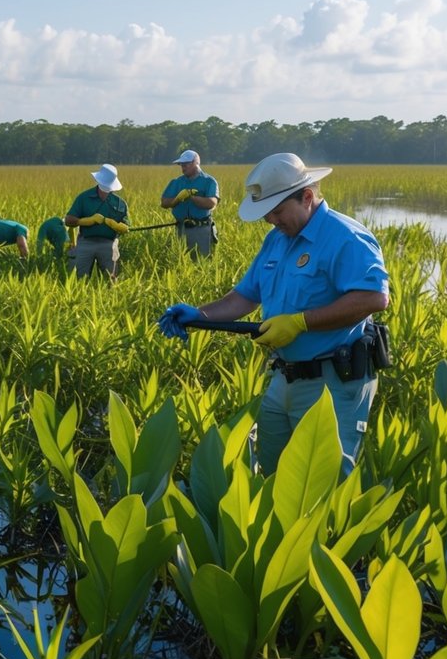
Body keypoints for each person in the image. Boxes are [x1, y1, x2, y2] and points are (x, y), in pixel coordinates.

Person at [157, 153, 389, 476]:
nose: (271, 221)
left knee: (323, 482)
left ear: (307, 197)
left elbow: (374, 298)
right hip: (283, 378)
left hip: (333, 382)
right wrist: (198, 315)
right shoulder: (277, 240)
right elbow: (244, 297)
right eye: (267, 213)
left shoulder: (344, 237)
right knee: (271, 476)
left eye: (277, 211)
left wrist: (300, 322)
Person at [63, 164, 130, 281]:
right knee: (79, 278)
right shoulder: (84, 198)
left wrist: (120, 227)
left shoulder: (120, 203)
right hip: (86, 242)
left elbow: (127, 225)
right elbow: (68, 220)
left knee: (111, 279)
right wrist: (85, 221)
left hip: (110, 243)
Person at [161, 149, 219, 257]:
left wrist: (191, 197)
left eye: (186, 164)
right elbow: (164, 202)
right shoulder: (176, 182)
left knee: (201, 262)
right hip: (181, 228)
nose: (183, 167)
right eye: (181, 164)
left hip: (201, 230)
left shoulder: (209, 181)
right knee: (179, 262)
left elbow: (211, 203)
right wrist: (177, 199)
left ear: (196, 163)